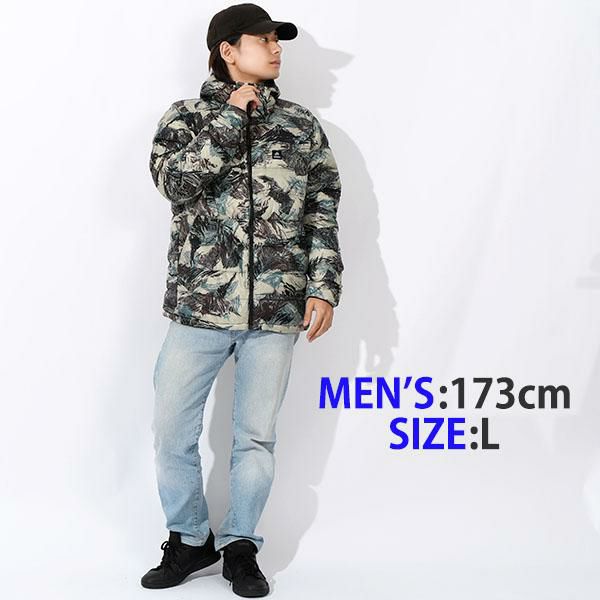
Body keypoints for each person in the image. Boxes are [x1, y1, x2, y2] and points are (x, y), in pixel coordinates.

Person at [141, 3, 344, 597]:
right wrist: (231, 117)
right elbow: (175, 184)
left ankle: (240, 546)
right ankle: (189, 539)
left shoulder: (301, 126)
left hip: (276, 310)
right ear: (228, 50)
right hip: (198, 307)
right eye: (263, 40)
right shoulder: (186, 117)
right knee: (170, 431)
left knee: (255, 438)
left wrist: (322, 285)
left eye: (278, 41)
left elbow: (322, 209)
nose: (276, 49)